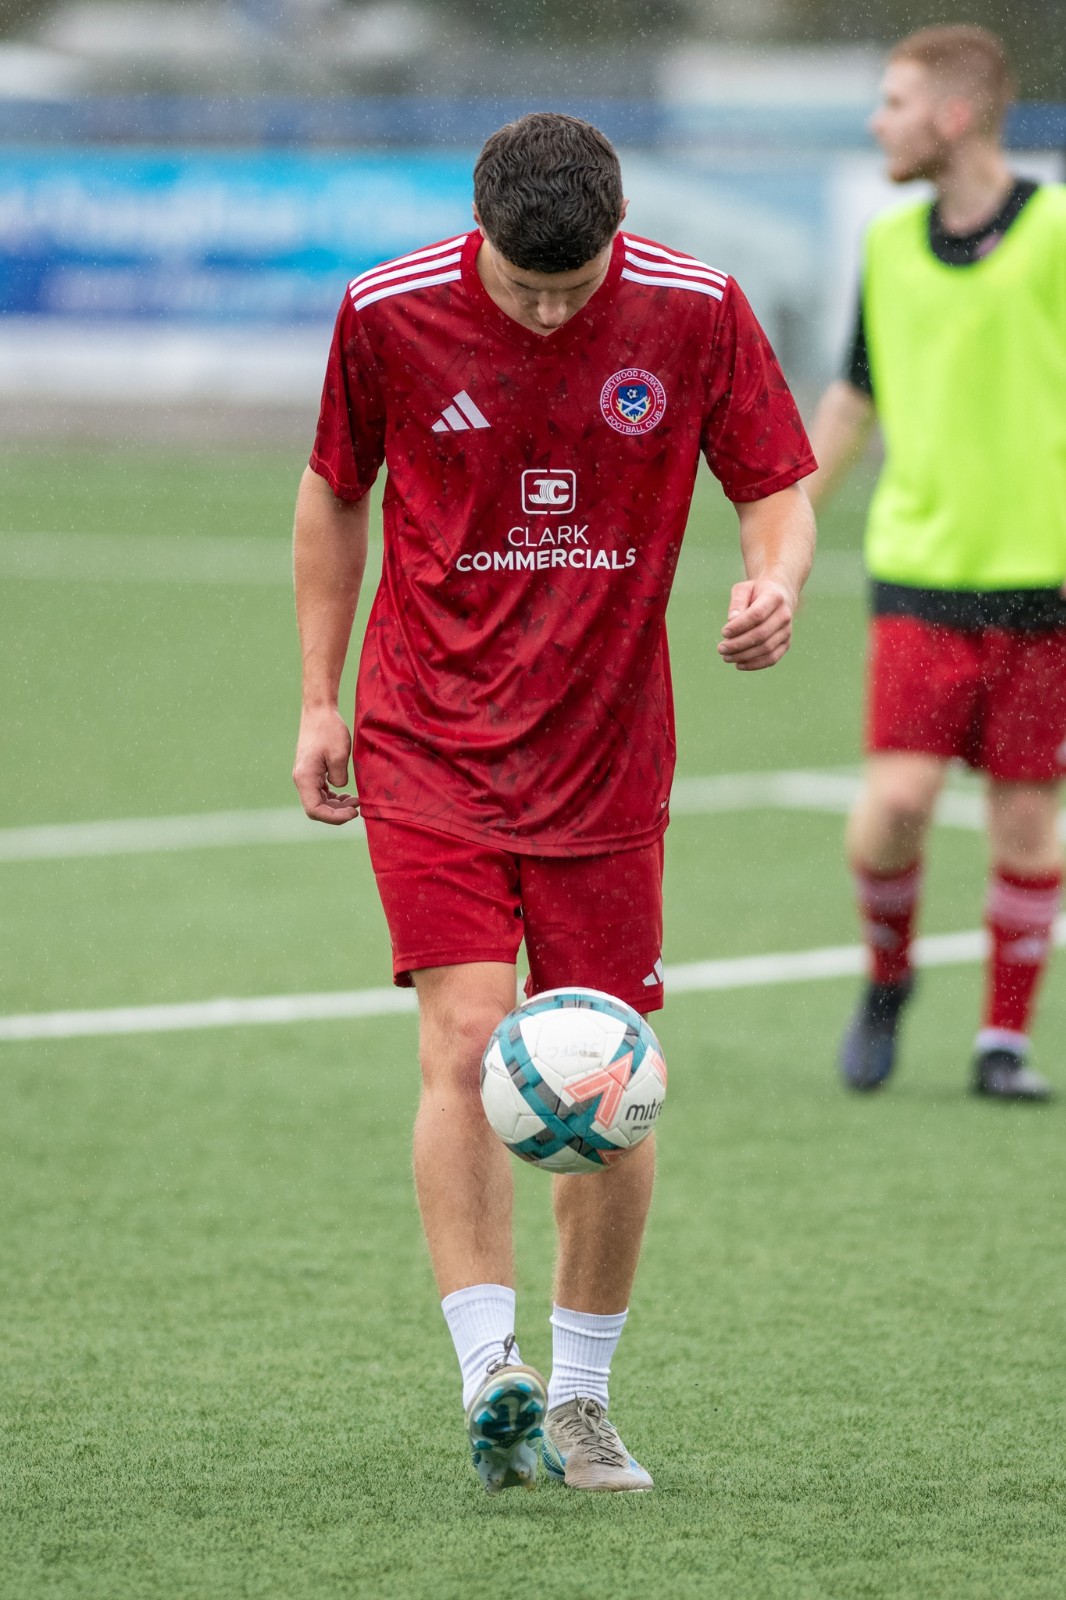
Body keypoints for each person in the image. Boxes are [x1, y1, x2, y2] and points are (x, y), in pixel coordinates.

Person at [292, 111, 816, 1494]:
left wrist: (774, 580)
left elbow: (776, 487)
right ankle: (492, 1376)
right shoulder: (387, 311)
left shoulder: (696, 309)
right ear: (479, 231)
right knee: (466, 1037)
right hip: (429, 735)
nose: (545, 311)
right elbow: (334, 494)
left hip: (607, 758)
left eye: (572, 289)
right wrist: (318, 695)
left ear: (616, 238)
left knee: (610, 1078)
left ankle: (581, 1398)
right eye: (523, 287)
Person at [807, 26, 1066, 1101]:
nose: (879, 123)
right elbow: (854, 394)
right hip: (918, 569)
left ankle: (1002, 1041)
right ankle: (887, 978)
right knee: (898, 803)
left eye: (896, 102)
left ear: (953, 116)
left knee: (1025, 818)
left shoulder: (1056, 232)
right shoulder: (887, 244)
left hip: (1043, 579)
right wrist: (788, 518)